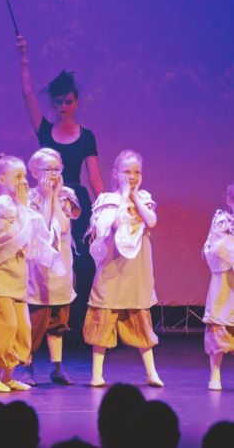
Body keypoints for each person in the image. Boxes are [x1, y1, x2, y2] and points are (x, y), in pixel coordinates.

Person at [17, 36, 103, 336]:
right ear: (52, 103)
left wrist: (106, 211)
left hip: (76, 202)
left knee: (84, 264)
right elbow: (28, 94)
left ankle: (76, 324)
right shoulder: (45, 130)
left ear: (76, 102)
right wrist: (24, 57)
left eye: (68, 101)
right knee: (46, 258)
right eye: (58, 101)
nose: (63, 106)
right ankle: (44, 323)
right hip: (45, 201)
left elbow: (95, 178)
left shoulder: (87, 136)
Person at [0, 154, 64, 392]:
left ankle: (8, 375)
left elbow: (38, 237)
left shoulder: (22, 209)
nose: (23, 181)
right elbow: (5, 239)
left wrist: (28, 208)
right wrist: (23, 211)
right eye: (17, 176)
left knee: (22, 329)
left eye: (24, 176)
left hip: (18, 278)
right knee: (3, 326)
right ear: (1, 179)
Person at [83, 150, 163, 387]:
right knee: (103, 317)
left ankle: (151, 373)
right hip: (112, 269)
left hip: (136, 271)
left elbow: (151, 221)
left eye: (137, 172)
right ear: (115, 174)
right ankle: (97, 374)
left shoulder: (144, 199)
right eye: (127, 172)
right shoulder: (107, 201)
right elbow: (116, 225)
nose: (132, 176)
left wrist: (134, 196)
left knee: (141, 319)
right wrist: (124, 196)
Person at [24, 148, 80, 386]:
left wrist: (55, 197)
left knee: (58, 322)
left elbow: (63, 227)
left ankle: (57, 368)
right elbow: (43, 229)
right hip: (37, 271)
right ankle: (27, 367)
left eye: (57, 169)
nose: (54, 174)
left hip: (60, 270)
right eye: (48, 169)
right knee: (35, 322)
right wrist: (47, 198)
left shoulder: (67, 196)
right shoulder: (28, 198)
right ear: (35, 172)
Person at [202, 183, 234, 391]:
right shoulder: (222, 222)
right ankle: (215, 374)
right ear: (230, 200)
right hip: (225, 285)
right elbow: (217, 250)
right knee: (218, 329)